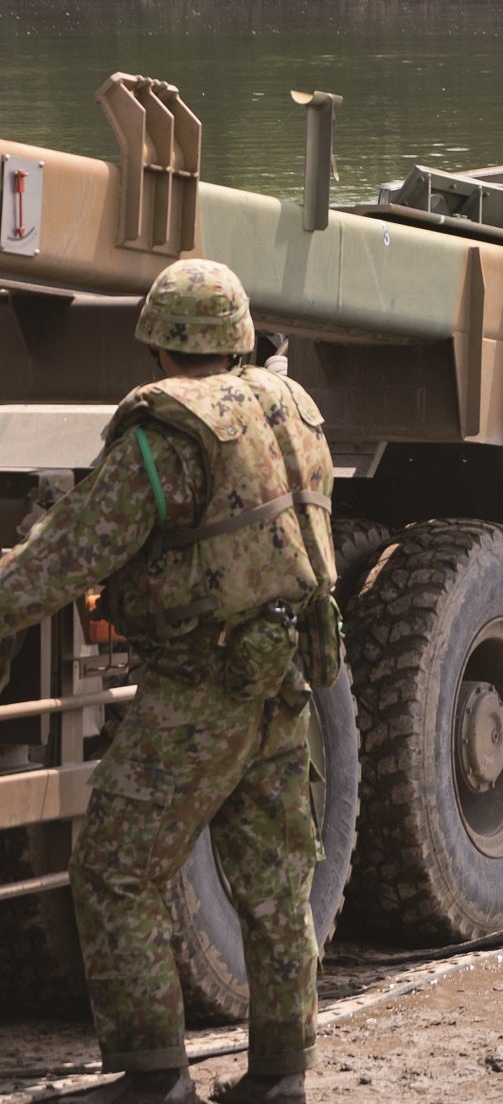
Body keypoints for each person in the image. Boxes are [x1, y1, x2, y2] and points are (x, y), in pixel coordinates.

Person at [0, 260, 337, 1103]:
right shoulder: (289, 408)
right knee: (274, 885)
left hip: (200, 689)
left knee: (117, 867)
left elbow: (75, 553)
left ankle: (154, 1076)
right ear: (238, 337)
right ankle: (280, 1077)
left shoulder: (165, 435)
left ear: (157, 340)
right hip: (286, 678)